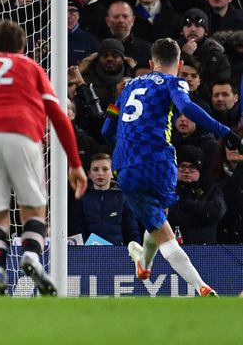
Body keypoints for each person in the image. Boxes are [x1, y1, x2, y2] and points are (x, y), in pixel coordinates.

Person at [0, 20, 87, 296]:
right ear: (22, 47)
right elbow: (59, 117)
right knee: (34, 212)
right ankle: (32, 258)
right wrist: (75, 163)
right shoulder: (31, 67)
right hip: (23, 134)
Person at [101, 37, 243, 296]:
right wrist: (224, 131)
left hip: (126, 165)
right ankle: (200, 285)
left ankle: (143, 262)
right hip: (160, 162)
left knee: (156, 221)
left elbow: (106, 129)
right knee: (159, 223)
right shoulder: (174, 82)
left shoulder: (126, 89)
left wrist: (124, 145)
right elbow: (187, 107)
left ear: (151, 62)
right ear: (178, 64)